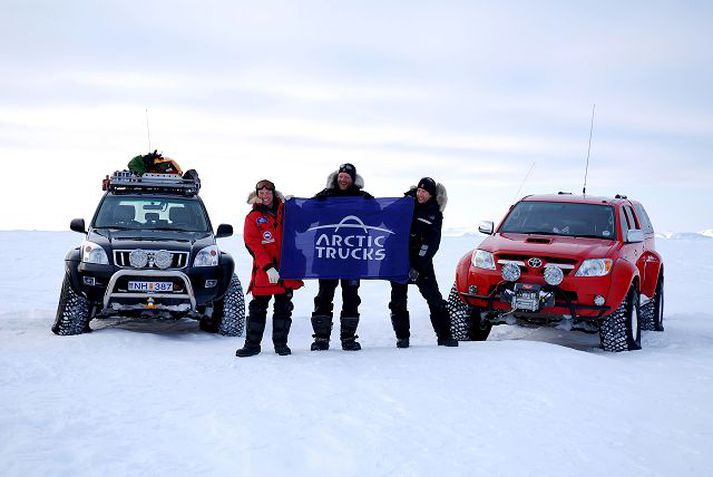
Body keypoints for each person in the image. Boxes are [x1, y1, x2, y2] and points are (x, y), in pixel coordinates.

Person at [236, 179, 303, 357]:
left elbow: (303, 226)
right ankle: (252, 345)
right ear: (257, 195)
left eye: (268, 192)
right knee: (258, 308)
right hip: (265, 271)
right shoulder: (252, 217)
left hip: (286, 269)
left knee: (283, 308)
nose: (265, 196)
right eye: (261, 193)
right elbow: (253, 244)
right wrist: (267, 267)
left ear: (273, 193)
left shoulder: (286, 211)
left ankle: (281, 344)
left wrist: (296, 206)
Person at [388, 177, 458, 348]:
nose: (420, 194)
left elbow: (431, 243)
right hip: (399, 261)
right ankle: (402, 337)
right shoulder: (405, 205)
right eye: (419, 190)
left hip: (422, 264)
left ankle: (445, 336)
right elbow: (384, 216)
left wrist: (417, 266)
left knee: (435, 299)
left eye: (425, 192)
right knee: (397, 301)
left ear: (431, 195)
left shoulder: (434, 214)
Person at [311, 163, 373, 351]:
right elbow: (306, 213)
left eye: (347, 176)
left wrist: (373, 204)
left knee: (351, 296)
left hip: (353, 256)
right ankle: (321, 338)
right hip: (329, 255)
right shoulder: (325, 195)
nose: (343, 179)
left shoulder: (361, 198)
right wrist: (310, 201)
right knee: (324, 296)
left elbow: (378, 219)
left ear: (353, 179)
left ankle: (348, 338)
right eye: (341, 176)